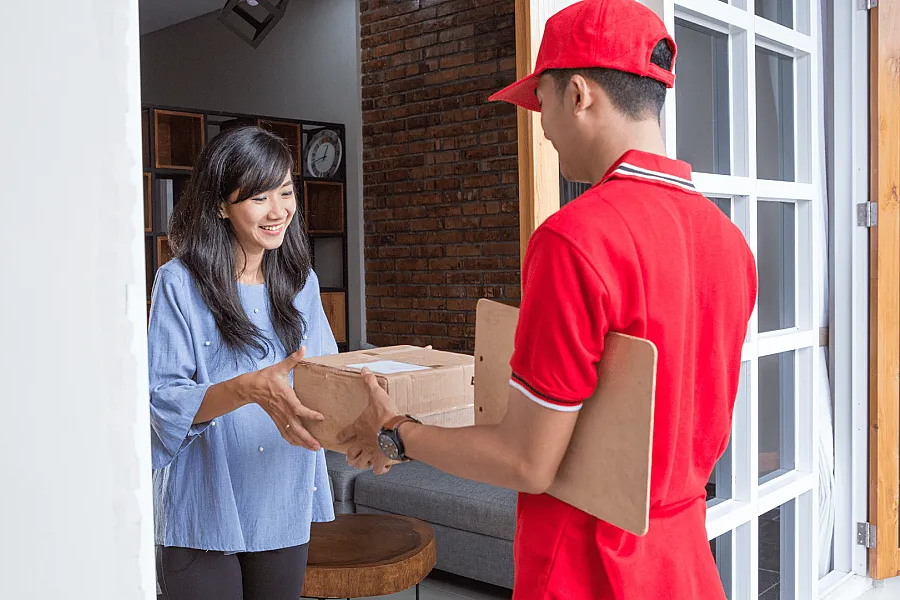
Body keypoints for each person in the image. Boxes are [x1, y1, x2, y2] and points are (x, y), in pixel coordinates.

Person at [338, 1, 758, 598]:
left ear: (579, 93)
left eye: (543, 102)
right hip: (683, 560)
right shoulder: (729, 242)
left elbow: (526, 460)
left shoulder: (577, 236)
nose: (543, 126)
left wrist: (398, 431)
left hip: (588, 566)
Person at [148, 126, 336, 600]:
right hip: (203, 502)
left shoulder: (300, 281)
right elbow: (162, 403)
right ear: (219, 205)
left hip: (280, 491)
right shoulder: (178, 284)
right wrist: (249, 388)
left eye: (286, 192)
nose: (278, 211)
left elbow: (326, 376)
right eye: (258, 197)